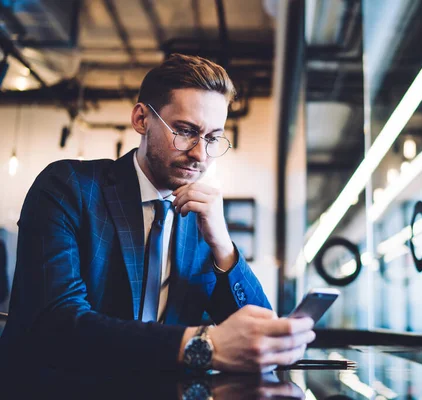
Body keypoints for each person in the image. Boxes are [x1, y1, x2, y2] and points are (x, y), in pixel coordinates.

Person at [0, 54, 315, 373]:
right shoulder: (67, 187)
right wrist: (202, 346)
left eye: (213, 138)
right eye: (185, 131)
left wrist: (224, 247)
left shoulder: (203, 220)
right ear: (141, 119)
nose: (199, 154)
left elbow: (260, 337)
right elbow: (58, 321)